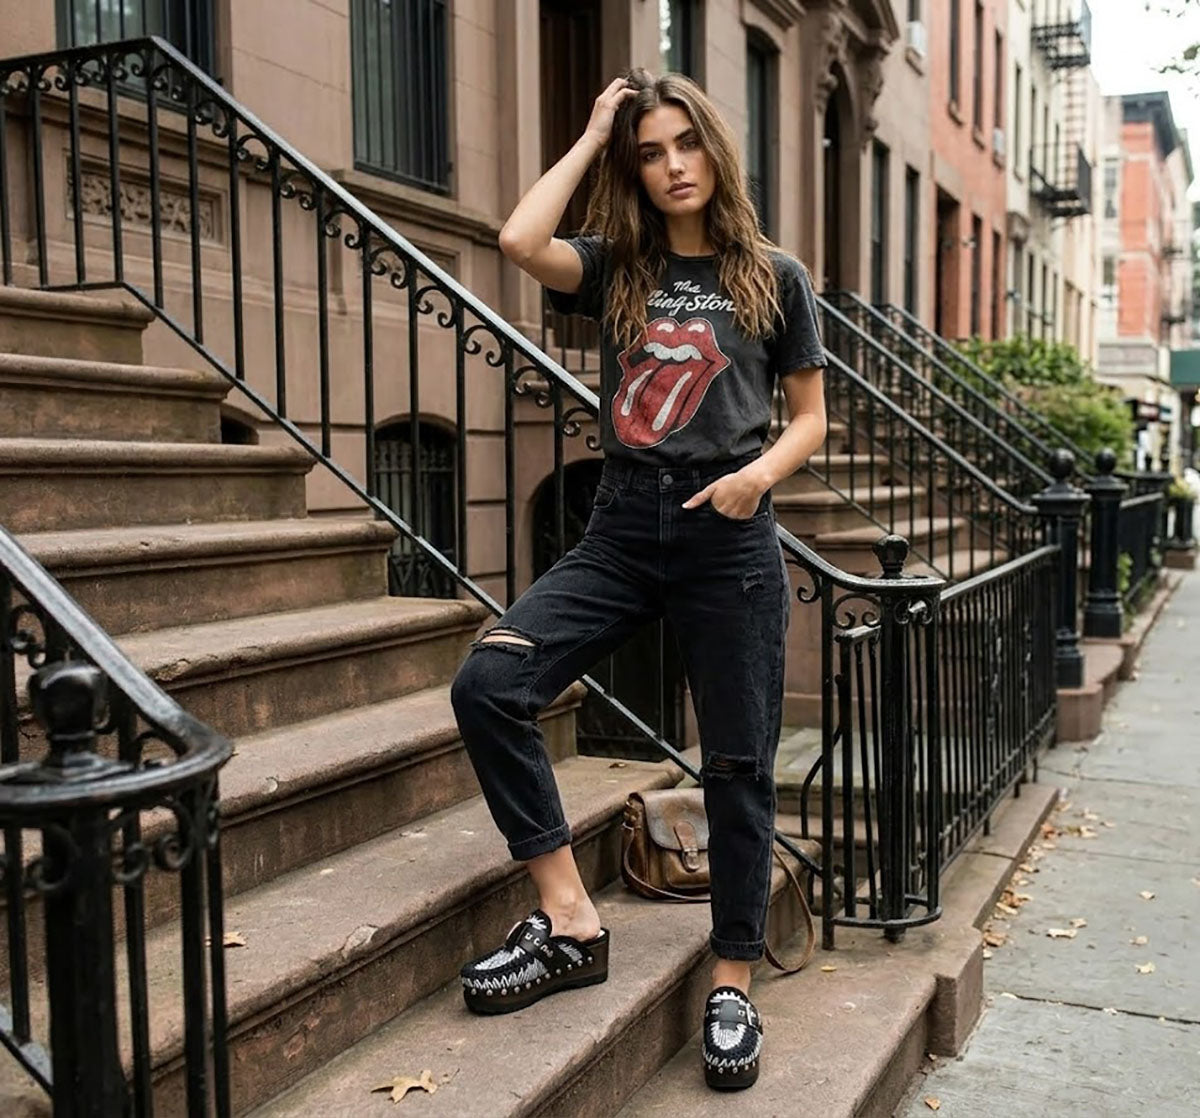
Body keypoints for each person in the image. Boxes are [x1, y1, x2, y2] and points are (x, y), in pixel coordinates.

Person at [449, 68, 827, 1091]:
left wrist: (754, 478)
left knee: (738, 764)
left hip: (730, 532)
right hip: (622, 523)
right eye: (650, 152)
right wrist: (591, 130)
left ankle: (733, 977)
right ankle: (571, 917)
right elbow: (517, 243)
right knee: (491, 684)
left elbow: (809, 417)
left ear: (715, 149)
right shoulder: (619, 265)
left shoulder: (772, 275)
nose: (672, 167)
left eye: (684, 145)